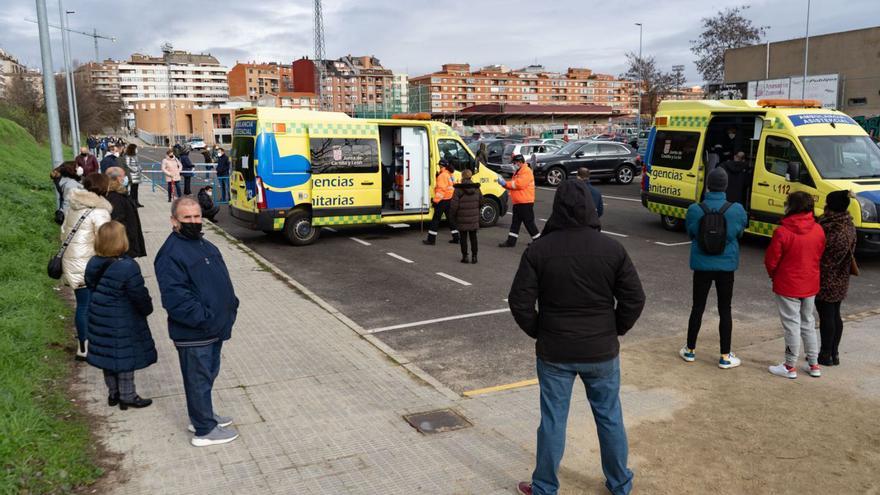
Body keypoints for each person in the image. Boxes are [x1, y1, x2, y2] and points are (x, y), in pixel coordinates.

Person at [509, 180, 645, 495]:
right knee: (609, 415)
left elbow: (520, 301)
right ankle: (619, 483)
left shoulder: (539, 250)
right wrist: (614, 328)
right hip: (601, 349)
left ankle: (544, 486)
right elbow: (634, 299)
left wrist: (540, 329)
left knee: (553, 419)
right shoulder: (612, 249)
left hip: (555, 350)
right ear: (591, 207)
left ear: (556, 208)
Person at [155, 197, 240, 447]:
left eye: (196, 216)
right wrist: (206, 318)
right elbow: (176, 299)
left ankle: (202, 415)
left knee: (207, 375)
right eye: (187, 218)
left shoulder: (202, 244)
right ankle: (204, 430)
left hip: (214, 328)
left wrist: (230, 305)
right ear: (174, 221)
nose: (193, 222)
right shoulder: (171, 253)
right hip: (196, 332)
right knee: (198, 379)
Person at [680, 168, 748, 368]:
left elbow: (692, 233)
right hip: (726, 266)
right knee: (725, 309)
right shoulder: (736, 209)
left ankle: (690, 350)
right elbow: (739, 233)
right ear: (725, 185)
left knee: (697, 307)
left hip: (701, 265)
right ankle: (725, 356)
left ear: (708, 185)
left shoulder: (695, 209)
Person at [84, 221, 157, 410]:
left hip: (99, 314)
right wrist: (147, 309)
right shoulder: (128, 266)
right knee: (124, 356)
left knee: (107, 355)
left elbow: (91, 284)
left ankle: (113, 393)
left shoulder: (93, 262)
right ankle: (128, 395)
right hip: (122, 318)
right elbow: (138, 293)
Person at [765, 191, 826, 379]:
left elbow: (771, 260)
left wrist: (774, 275)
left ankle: (789, 365)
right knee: (808, 322)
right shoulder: (818, 229)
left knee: (791, 324)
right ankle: (813, 363)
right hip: (810, 281)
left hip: (788, 283)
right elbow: (820, 253)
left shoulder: (782, 231)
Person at [61, 173, 113, 360]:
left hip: (72, 260)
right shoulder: (100, 211)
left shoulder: (74, 206)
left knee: (82, 304)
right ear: (103, 187)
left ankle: (83, 346)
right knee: (93, 304)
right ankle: (96, 343)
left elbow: (63, 232)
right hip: (90, 263)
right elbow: (106, 240)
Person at [816, 190, 857, 366]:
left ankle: (826, 354)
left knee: (827, 316)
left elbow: (821, 253)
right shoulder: (849, 225)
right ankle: (834, 353)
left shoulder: (830, 228)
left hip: (827, 277)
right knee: (834, 314)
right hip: (841, 276)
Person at [498, 154, 539, 247]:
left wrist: (504, 183)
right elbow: (515, 184)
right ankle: (511, 241)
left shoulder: (526, 171)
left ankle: (538, 241)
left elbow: (519, 184)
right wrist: (505, 184)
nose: (513, 164)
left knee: (529, 223)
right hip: (519, 202)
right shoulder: (519, 171)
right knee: (516, 223)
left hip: (525, 202)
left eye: (515, 162)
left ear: (520, 162)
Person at [105, 167, 147, 258]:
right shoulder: (116, 198)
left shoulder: (120, 195)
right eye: (124, 176)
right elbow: (118, 221)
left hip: (126, 243)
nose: (125, 178)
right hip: (123, 245)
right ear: (118, 178)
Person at [448, 168, 481, 263]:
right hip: (473, 218)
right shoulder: (476, 188)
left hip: (462, 217)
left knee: (463, 238)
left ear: (462, 176)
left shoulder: (458, 189)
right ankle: (474, 257)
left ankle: (465, 257)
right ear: (471, 176)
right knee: (473, 237)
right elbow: (481, 201)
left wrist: (452, 216)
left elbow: (454, 205)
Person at [423, 160, 459, 245]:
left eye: (439, 166)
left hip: (442, 201)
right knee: (451, 220)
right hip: (449, 199)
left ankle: (431, 240)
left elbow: (441, 190)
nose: (439, 167)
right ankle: (456, 238)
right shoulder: (450, 174)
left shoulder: (442, 176)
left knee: (435, 220)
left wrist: (435, 201)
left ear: (441, 166)